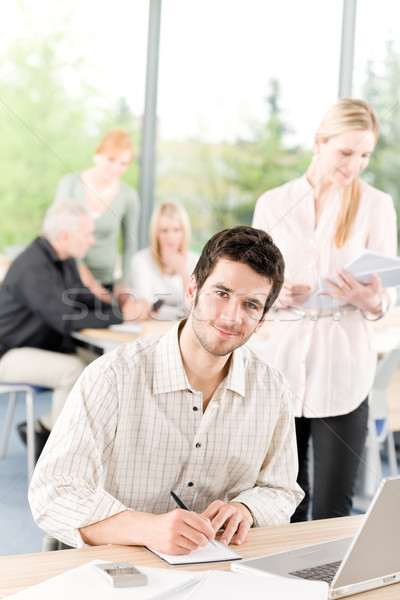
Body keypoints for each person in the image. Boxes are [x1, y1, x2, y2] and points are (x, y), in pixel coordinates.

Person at [28, 225, 303, 553]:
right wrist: (147, 528)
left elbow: (282, 489)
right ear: (192, 291)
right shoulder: (113, 376)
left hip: (218, 568)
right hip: (116, 569)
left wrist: (247, 509)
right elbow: (52, 493)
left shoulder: (272, 389)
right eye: (222, 293)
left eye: (251, 305)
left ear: (262, 318)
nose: (232, 316)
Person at [252, 98, 398, 522]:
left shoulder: (375, 204)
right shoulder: (274, 204)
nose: (355, 165)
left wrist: (366, 298)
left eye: (365, 155)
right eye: (346, 153)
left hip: (344, 371)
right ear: (318, 143)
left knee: (333, 512)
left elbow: (386, 298)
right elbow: (254, 288)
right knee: (284, 507)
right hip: (284, 370)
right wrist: (277, 296)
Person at [0, 201, 149, 460]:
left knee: (107, 367)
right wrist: (121, 315)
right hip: (9, 354)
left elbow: (83, 299)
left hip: (41, 348)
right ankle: (57, 461)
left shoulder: (64, 259)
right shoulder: (32, 267)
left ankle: (44, 426)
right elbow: (64, 318)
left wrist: (123, 310)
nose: (92, 241)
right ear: (66, 236)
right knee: (72, 371)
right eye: (87, 234)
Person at [54, 129, 139, 302]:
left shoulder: (129, 196)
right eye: (111, 159)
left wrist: (124, 284)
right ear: (98, 155)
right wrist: (88, 280)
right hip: (68, 276)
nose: (116, 168)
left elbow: (130, 244)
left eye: (123, 163)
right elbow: (59, 234)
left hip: (105, 282)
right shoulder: (69, 185)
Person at [130, 201, 199, 320]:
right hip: (152, 328)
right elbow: (147, 309)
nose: (170, 238)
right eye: (164, 231)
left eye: (176, 230)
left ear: (184, 231)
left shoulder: (196, 260)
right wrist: (180, 313)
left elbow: (197, 309)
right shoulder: (141, 260)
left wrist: (183, 272)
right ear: (156, 233)